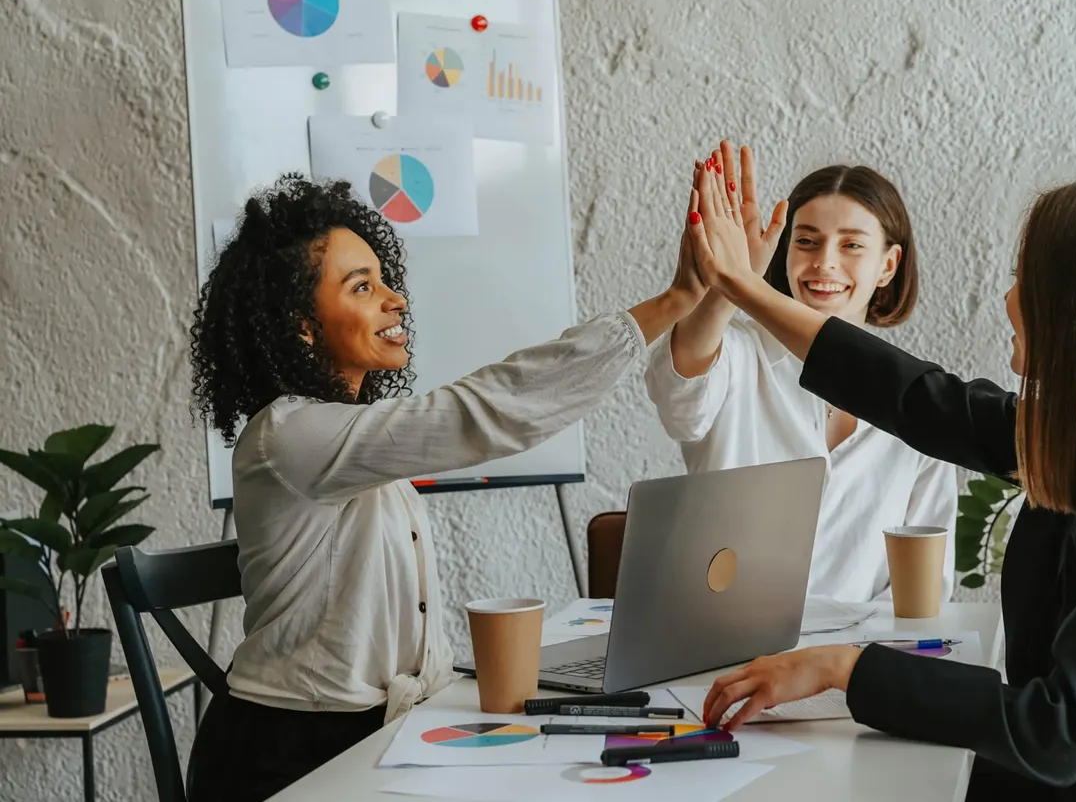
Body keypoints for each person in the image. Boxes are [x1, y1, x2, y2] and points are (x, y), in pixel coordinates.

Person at [685, 160, 1076, 800]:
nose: (1007, 301)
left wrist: (846, 667)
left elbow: (1059, 730)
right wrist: (743, 288)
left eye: (1023, 280)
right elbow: (917, 397)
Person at [185, 173, 707, 802]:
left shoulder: (351, 441)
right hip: (287, 758)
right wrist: (676, 299)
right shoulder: (292, 434)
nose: (395, 299)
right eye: (362, 287)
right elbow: (481, 411)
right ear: (300, 326)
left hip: (373, 735)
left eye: (384, 278)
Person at [644, 143, 957, 602]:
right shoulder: (736, 354)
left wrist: (851, 666)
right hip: (723, 653)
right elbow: (680, 395)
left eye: (851, 245)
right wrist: (732, 281)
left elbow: (925, 586)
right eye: (806, 241)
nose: (824, 262)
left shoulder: (919, 400)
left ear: (888, 265)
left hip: (853, 662)